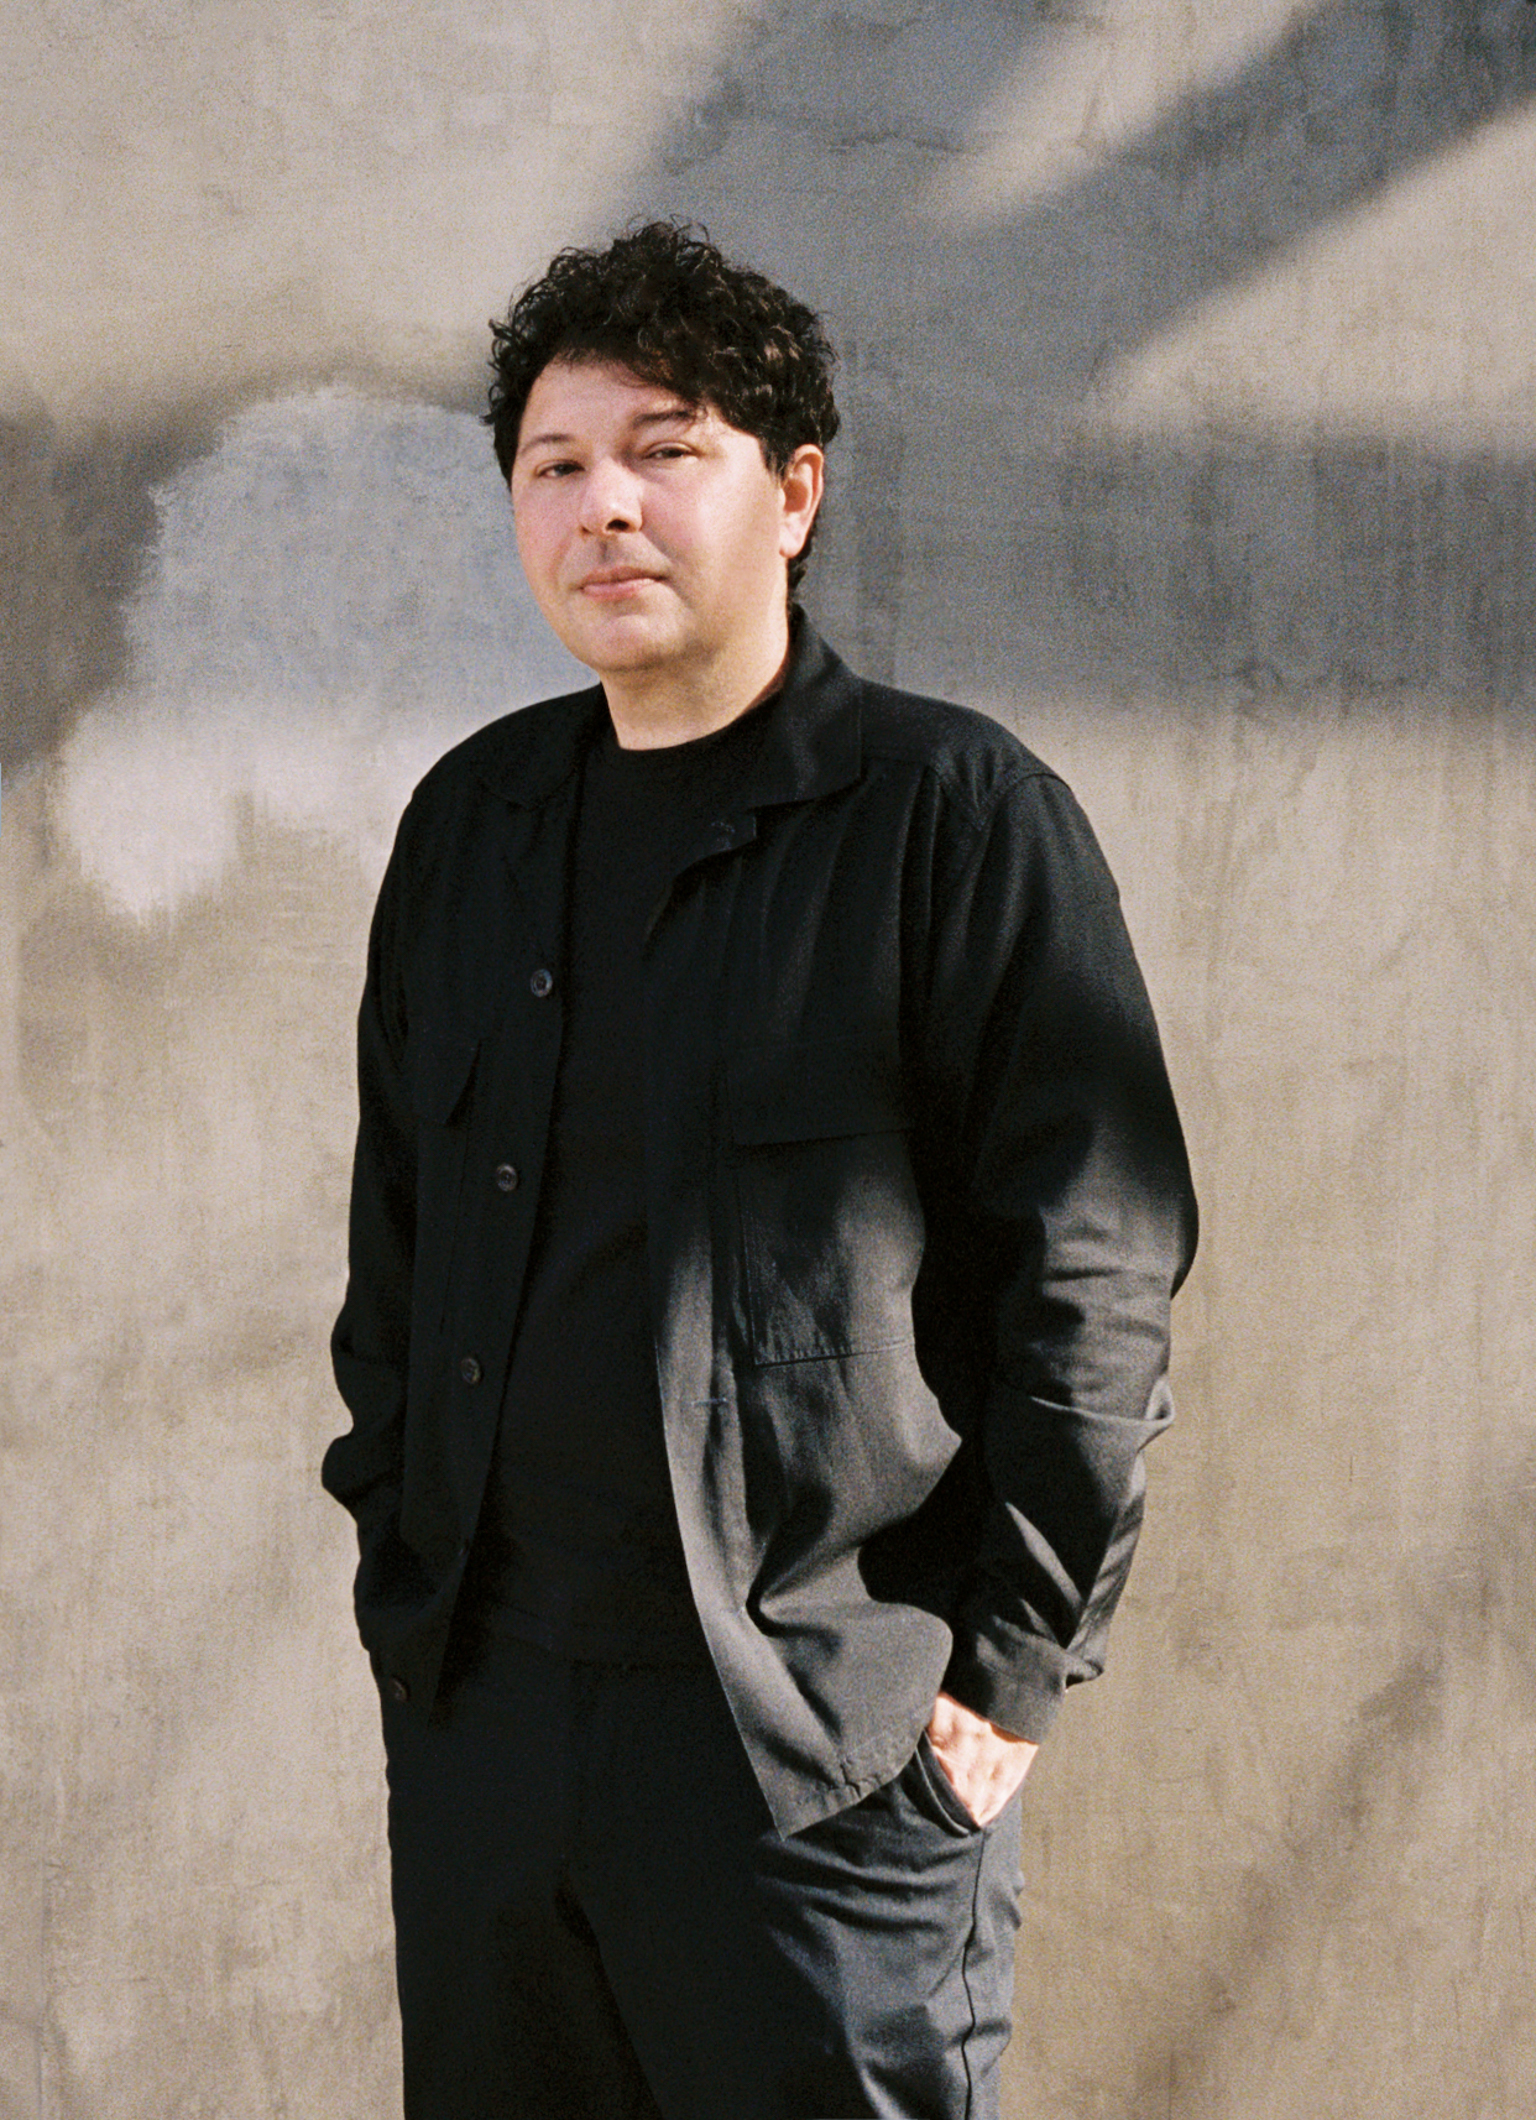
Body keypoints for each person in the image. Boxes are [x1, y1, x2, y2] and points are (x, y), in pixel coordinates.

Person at [323, 221, 1197, 2120]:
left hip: (818, 1753)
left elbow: (1099, 1269)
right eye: (555, 467)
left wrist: (1005, 1676)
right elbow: (397, 1245)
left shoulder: (953, 819)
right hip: (491, 1733)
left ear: (793, 495)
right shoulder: (471, 826)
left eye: (668, 450)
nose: (604, 508)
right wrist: (407, 1583)